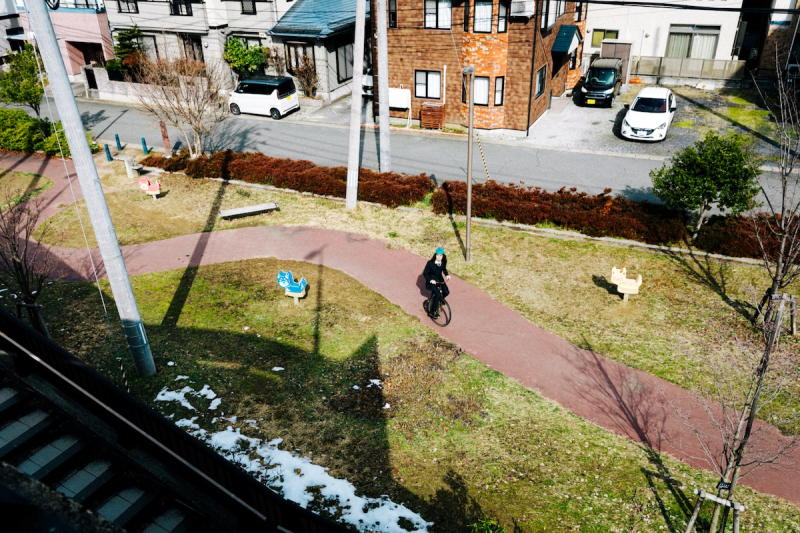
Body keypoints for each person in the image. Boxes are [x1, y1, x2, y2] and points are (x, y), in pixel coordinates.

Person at [423, 247, 450, 318]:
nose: (439, 257)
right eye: (438, 255)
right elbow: (425, 273)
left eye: (441, 255)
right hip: (431, 281)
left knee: (446, 292)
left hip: (439, 279)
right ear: (435, 255)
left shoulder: (443, 262)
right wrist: (430, 280)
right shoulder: (430, 263)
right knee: (437, 293)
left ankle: (439, 301)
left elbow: (444, 268)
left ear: (443, 256)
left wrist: (447, 275)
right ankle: (433, 311)